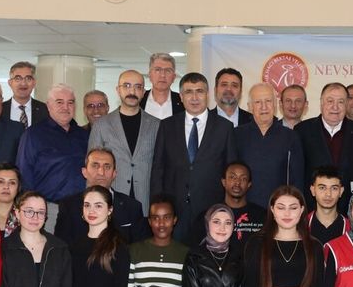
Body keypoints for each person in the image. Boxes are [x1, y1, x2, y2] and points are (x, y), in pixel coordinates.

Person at [150, 72, 237, 243]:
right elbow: (158, 168)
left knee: (206, 255)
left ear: (208, 95)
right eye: (189, 92)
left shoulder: (224, 127)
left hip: (211, 209)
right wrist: (156, 206)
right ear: (181, 97)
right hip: (174, 209)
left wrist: (227, 208)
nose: (195, 97)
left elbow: (230, 171)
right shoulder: (167, 126)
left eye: (200, 91)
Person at [17, 84, 89, 228]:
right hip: (48, 211)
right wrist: (33, 210)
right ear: (48, 106)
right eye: (59, 102)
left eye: (70, 102)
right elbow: (24, 175)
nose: (66, 107)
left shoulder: (84, 135)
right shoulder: (33, 135)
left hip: (81, 211)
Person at [89, 69, 161, 212]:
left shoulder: (156, 125)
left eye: (138, 87)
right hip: (112, 201)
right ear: (118, 90)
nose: (132, 91)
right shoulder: (101, 125)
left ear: (143, 92)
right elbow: (93, 169)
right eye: (127, 86)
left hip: (145, 202)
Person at [297, 82, 353, 203]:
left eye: (340, 102)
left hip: (348, 204)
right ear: (321, 103)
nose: (335, 107)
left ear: (346, 105)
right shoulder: (302, 131)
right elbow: (298, 173)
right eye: (330, 101)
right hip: (312, 204)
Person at [235, 83, 304, 208]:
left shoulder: (290, 136)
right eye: (258, 102)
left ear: (275, 105)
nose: (264, 107)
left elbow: (297, 179)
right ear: (250, 107)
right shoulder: (237, 135)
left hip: (280, 208)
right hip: (245, 208)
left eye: (268, 101)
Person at [2, 61, 48, 127]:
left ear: (34, 83)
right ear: (10, 83)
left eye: (28, 79)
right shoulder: (0, 110)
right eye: (18, 78)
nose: (23, 83)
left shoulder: (45, 110)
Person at [141, 52, 182, 120]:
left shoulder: (183, 102)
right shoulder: (139, 100)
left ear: (174, 77)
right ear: (150, 75)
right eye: (157, 70)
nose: (162, 75)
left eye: (168, 71)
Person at [0, 163, 21, 238]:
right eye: (0, 182)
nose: (6, 187)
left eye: (12, 183)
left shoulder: (25, 217)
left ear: (18, 188)